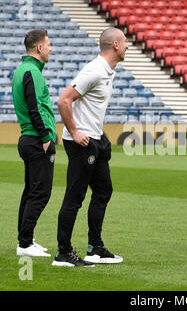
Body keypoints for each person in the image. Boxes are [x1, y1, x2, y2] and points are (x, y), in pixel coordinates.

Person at [52, 27, 128, 267]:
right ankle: (63, 252)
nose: (127, 46)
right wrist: (74, 131)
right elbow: (64, 100)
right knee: (75, 197)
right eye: (125, 42)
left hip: (95, 139)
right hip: (81, 142)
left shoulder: (108, 70)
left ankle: (95, 247)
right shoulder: (94, 70)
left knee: (104, 190)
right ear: (115, 45)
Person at [12, 29, 56, 257]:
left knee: (31, 191)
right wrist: (47, 138)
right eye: (48, 44)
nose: (50, 48)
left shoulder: (23, 70)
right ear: (39, 48)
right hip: (37, 140)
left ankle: (25, 240)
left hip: (29, 139)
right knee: (41, 192)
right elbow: (35, 108)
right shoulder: (32, 72)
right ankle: (25, 244)